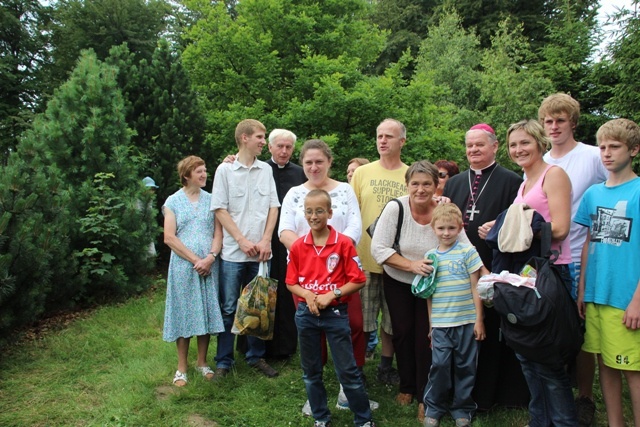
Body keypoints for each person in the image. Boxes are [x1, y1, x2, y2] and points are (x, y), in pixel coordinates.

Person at [279, 139, 375, 414]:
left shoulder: (344, 191)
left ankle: (349, 384)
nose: (313, 167)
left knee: (354, 324)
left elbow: (355, 226)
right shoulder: (295, 194)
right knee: (311, 329)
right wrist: (310, 255)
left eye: (319, 161)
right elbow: (285, 230)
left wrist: (334, 254)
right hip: (305, 278)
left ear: (329, 162)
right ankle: (316, 389)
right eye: (308, 162)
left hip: (342, 274)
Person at [371, 161, 473, 420]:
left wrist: (479, 272)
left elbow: (465, 245)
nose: (421, 189)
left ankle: (425, 396)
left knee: (427, 338)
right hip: (399, 279)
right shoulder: (396, 207)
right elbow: (379, 249)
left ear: (437, 184)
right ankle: (406, 385)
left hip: (434, 284)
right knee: (403, 333)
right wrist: (411, 265)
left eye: (427, 183)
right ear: (407, 185)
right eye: (415, 183)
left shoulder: (443, 208)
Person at [442, 123, 527, 410]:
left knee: (489, 331)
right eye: (469, 146)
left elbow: (519, 224)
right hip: (457, 270)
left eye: (480, 145)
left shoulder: (512, 181)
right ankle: (458, 392)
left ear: (494, 146)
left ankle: (488, 395)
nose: (473, 150)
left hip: (493, 266)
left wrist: (498, 227)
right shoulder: (454, 184)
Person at [538, 93, 608, 427]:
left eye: (560, 120)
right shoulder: (540, 160)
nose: (554, 127)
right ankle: (556, 392)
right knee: (553, 329)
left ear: (573, 122)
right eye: (548, 121)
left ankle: (585, 398)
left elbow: (612, 194)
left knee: (580, 332)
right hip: (545, 259)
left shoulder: (593, 156)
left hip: (583, 253)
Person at [507, 119, 577, 426]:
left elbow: (560, 228)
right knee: (528, 356)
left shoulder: (554, 175)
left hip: (553, 272)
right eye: (513, 144)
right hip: (527, 274)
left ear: (540, 143)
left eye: (525, 142)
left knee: (548, 360)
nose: (518, 149)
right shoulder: (523, 183)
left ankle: (563, 422)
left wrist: (516, 228)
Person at [575, 118, 640, 427]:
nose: (607, 153)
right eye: (602, 147)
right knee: (606, 364)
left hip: (626, 296)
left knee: (633, 369)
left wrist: (637, 300)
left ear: (634, 150)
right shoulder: (593, 194)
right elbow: (589, 243)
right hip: (597, 294)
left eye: (615, 147)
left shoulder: (639, 190)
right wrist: (582, 288)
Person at [210, 119, 280, 379]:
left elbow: (274, 206)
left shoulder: (266, 170)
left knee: (258, 306)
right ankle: (224, 361)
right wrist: (240, 239)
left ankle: (255, 357)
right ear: (244, 138)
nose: (264, 142)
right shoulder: (224, 171)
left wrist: (265, 240)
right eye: (260, 137)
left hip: (261, 253)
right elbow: (220, 208)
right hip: (232, 253)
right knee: (229, 307)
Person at [351, 118, 408, 389]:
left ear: (402, 142)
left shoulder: (410, 175)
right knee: (361, 319)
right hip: (363, 259)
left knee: (392, 320)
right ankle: (358, 367)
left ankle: (386, 367)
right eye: (379, 136)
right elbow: (351, 214)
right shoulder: (363, 173)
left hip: (397, 262)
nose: (382, 141)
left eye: (389, 136)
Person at [162, 156, 224, 386]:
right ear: (187, 175)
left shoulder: (212, 200)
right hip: (183, 266)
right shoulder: (173, 201)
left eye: (205, 170)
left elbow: (218, 233)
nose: (204, 174)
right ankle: (181, 368)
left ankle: (202, 362)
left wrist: (210, 257)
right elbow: (169, 237)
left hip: (209, 265)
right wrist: (195, 259)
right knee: (184, 313)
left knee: (206, 311)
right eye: (199, 171)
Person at [422, 203, 484, 427]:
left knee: (466, 366)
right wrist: (431, 325)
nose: (446, 233)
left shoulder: (468, 252)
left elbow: (476, 287)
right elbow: (429, 293)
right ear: (433, 228)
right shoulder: (430, 257)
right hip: (440, 323)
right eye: (441, 228)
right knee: (439, 365)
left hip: (466, 321)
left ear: (459, 228)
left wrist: (479, 320)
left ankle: (462, 408)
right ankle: (434, 407)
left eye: (451, 228)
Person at [264, 129, 307, 359]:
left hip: (291, 241)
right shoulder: (260, 170)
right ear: (270, 147)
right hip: (265, 239)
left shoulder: (300, 173)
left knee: (288, 289)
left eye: (288, 147)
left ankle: (287, 347)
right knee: (264, 289)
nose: (284, 151)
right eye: (279, 146)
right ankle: (259, 347)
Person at [346, 157, 378, 359]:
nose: (351, 174)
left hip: (381, 254)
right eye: (349, 171)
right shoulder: (345, 193)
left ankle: (372, 348)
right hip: (358, 255)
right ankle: (360, 354)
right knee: (363, 313)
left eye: (355, 171)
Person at [142, 176, 160, 257]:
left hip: (148, 231)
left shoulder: (150, 200)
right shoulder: (137, 201)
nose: (152, 191)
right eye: (149, 189)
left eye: (153, 189)